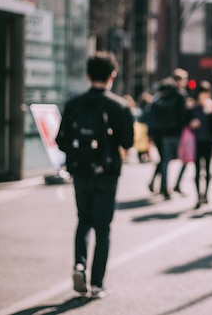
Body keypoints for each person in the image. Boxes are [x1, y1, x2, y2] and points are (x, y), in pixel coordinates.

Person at [55, 51, 134, 299]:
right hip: (107, 173)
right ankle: (97, 283)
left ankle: (79, 265)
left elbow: (61, 140)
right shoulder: (120, 106)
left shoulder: (74, 104)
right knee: (103, 227)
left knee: (83, 220)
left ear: (88, 75)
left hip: (80, 171)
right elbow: (128, 141)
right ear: (112, 76)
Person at [147, 76, 187, 200]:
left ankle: (163, 186)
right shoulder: (180, 96)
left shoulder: (159, 97)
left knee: (165, 160)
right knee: (184, 159)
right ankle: (174, 185)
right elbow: (183, 115)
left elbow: (151, 116)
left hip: (161, 133)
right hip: (176, 133)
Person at [188, 80, 212, 209]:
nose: (204, 96)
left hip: (209, 141)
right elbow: (186, 122)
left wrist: (211, 112)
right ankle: (198, 196)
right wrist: (192, 124)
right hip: (196, 142)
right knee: (197, 170)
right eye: (202, 93)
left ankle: (206, 194)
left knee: (207, 169)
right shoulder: (194, 108)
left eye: (206, 93)